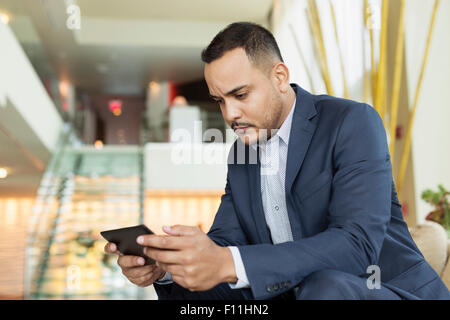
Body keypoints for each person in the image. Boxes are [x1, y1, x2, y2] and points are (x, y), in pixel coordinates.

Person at [104, 22, 450, 300]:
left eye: (240, 95)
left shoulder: (352, 122)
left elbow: (357, 245)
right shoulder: (241, 156)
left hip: (385, 290)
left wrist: (229, 262)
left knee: (323, 287)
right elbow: (225, 248)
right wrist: (169, 268)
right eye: (219, 101)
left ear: (279, 77)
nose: (230, 114)